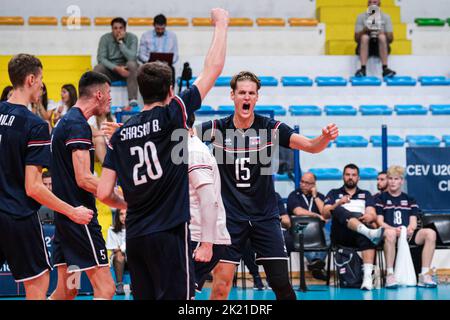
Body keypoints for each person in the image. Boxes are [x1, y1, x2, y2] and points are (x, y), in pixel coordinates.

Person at [97, 8, 229, 300]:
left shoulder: (120, 134)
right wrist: (221, 25)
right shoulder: (173, 115)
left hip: (136, 236)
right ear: (171, 91)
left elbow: (104, 192)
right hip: (169, 234)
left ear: (141, 90)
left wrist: (125, 202)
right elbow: (213, 69)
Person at [197, 70, 339, 301]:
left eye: (251, 93)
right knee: (222, 285)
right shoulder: (216, 128)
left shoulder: (270, 128)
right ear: (232, 95)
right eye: (242, 92)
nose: (246, 97)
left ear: (257, 97)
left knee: (281, 284)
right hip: (229, 218)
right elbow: (179, 138)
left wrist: (324, 137)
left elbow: (312, 146)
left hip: (264, 216)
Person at [0, 53, 93, 300]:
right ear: (31, 79)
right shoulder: (35, 125)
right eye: (41, 79)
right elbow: (33, 187)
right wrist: (71, 211)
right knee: (38, 285)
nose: (42, 84)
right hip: (17, 216)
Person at [49, 71, 127, 300]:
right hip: (80, 221)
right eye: (110, 93)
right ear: (99, 94)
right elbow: (83, 178)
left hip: (65, 223)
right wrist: (121, 198)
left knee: (68, 289)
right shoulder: (77, 126)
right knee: (106, 289)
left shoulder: (66, 123)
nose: (111, 99)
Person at [186, 113, 232, 294]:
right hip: (190, 234)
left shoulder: (194, 151)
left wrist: (207, 244)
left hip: (199, 235)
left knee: (181, 292)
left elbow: (209, 199)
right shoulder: (180, 148)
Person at [323, 163, 384, 290]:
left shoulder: (366, 194)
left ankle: (367, 278)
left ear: (358, 178)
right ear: (343, 177)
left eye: (353, 175)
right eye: (347, 175)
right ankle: (367, 231)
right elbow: (325, 214)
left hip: (359, 233)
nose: (350, 177)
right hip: (341, 235)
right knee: (339, 210)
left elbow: (372, 213)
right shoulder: (334, 193)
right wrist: (339, 203)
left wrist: (369, 216)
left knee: (367, 233)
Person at [376, 165, 437, 288]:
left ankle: (424, 275)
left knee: (430, 233)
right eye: (391, 178)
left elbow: (413, 220)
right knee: (390, 233)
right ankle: (390, 275)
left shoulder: (409, 199)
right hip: (390, 233)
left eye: (396, 179)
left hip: (407, 234)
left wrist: (410, 229)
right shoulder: (381, 198)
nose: (393, 182)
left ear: (401, 181)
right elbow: (379, 222)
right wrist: (394, 229)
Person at [287, 172, 329, 281]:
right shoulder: (294, 195)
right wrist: (316, 216)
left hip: (318, 229)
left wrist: (315, 197)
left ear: (313, 185)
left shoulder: (320, 196)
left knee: (328, 235)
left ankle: (315, 264)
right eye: (302, 181)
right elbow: (298, 211)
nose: (303, 184)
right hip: (300, 227)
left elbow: (324, 213)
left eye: (307, 183)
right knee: (302, 236)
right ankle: (316, 264)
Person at [94, 17, 139, 108]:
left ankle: (133, 99)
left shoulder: (132, 38)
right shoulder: (105, 38)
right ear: (112, 29)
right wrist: (116, 68)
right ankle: (99, 99)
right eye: (115, 28)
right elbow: (101, 58)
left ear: (125, 29)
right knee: (98, 68)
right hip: (111, 70)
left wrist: (121, 43)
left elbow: (132, 57)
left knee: (132, 64)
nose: (118, 31)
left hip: (127, 71)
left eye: (121, 28)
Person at [354, 0, 396, 77]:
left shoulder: (386, 17)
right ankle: (363, 69)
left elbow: (390, 39)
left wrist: (382, 32)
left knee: (382, 37)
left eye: (375, 2)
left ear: (379, 4)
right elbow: (356, 39)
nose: (372, 4)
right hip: (365, 45)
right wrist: (365, 30)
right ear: (367, 4)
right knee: (364, 37)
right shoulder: (361, 17)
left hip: (380, 45)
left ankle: (385, 69)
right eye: (370, 2)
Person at [138, 14, 179, 86]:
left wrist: (168, 62)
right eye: (158, 29)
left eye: (162, 29)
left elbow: (175, 55)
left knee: (171, 70)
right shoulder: (145, 35)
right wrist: (150, 62)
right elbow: (141, 54)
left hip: (166, 65)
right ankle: (149, 96)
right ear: (153, 25)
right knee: (145, 72)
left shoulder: (172, 36)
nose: (160, 31)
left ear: (165, 25)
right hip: (150, 65)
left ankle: (170, 95)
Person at [106, 208, 127, 295]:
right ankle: (119, 285)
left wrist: (121, 247)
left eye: (126, 214)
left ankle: (136, 284)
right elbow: (112, 247)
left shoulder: (135, 228)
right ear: (117, 216)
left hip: (133, 255)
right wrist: (123, 248)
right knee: (119, 255)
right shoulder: (112, 229)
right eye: (121, 214)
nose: (124, 217)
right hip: (117, 258)